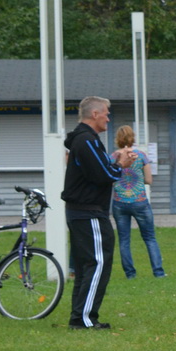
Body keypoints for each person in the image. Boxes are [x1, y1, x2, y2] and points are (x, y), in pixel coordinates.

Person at [62, 96, 130, 330]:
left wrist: (115, 162)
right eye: (106, 114)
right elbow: (104, 175)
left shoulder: (83, 140)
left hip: (80, 212)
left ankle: (79, 316)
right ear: (95, 114)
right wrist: (121, 165)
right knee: (98, 263)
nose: (108, 119)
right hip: (89, 212)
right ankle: (84, 319)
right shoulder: (87, 140)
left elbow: (97, 170)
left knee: (85, 266)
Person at [111, 125, 165, 279]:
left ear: (118, 139)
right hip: (140, 201)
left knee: (124, 240)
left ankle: (130, 274)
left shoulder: (113, 157)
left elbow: (110, 179)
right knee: (150, 238)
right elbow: (149, 180)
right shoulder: (141, 156)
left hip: (119, 202)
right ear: (132, 137)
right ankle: (158, 272)